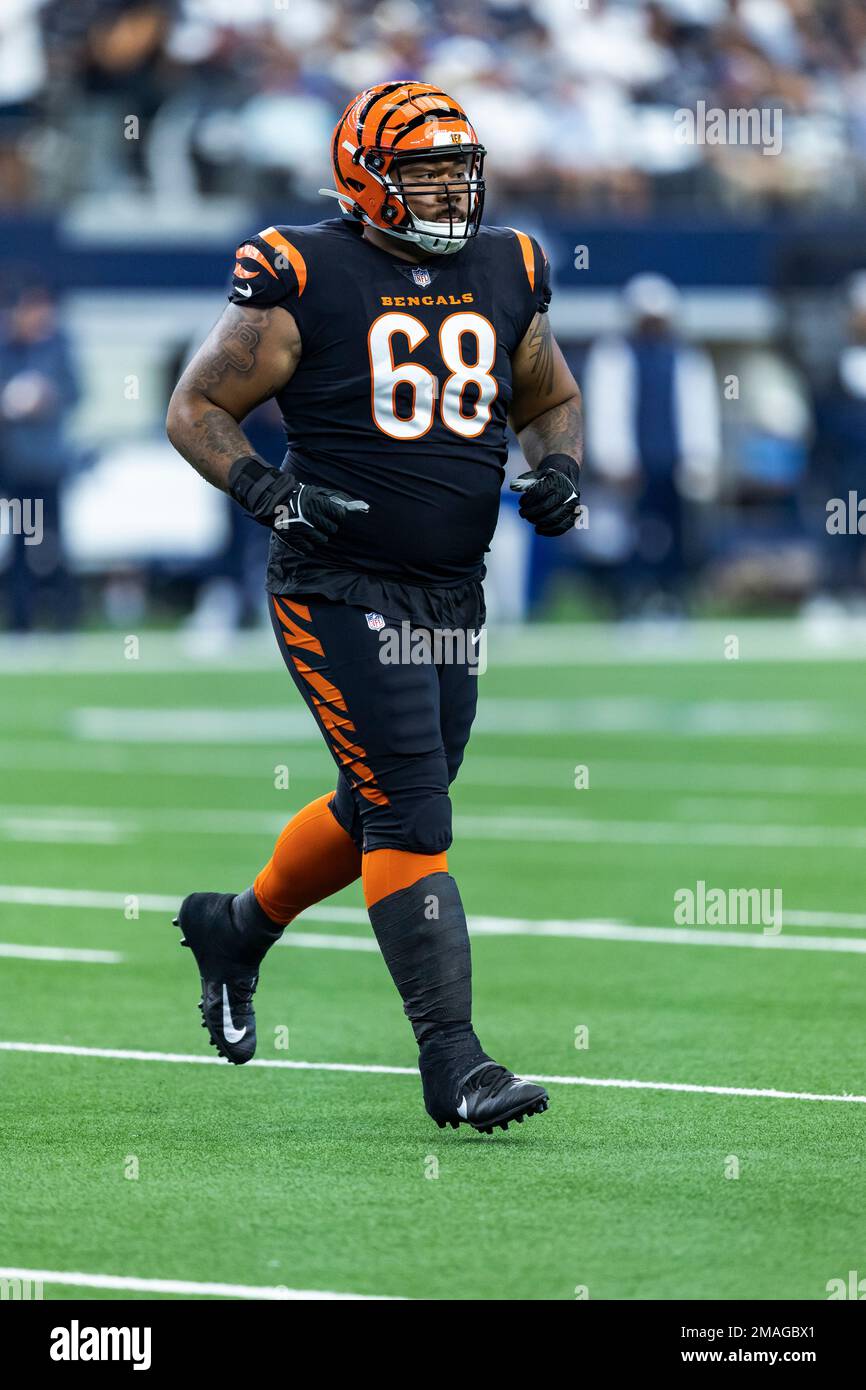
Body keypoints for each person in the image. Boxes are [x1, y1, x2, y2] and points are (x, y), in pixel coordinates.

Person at [166, 80, 582, 1134]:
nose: (450, 192)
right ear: (363, 177)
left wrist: (562, 468)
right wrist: (265, 491)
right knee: (408, 805)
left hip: (450, 585)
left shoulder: (507, 264)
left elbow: (546, 397)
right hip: (335, 580)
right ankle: (455, 1061)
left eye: (459, 170)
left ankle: (235, 927)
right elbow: (196, 406)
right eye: (425, 173)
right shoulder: (305, 268)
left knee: (386, 795)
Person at [582, 273, 720, 612]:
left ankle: (673, 599)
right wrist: (614, 459)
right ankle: (633, 600)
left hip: (674, 462)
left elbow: (700, 412)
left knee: (678, 535)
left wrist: (702, 459)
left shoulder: (685, 357)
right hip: (633, 464)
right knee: (631, 536)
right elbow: (607, 409)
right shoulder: (614, 355)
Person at [0, 285, 80, 631]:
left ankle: (65, 620)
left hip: (49, 466)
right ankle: (22, 620)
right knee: (21, 541)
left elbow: (76, 392)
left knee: (55, 541)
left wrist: (47, 396)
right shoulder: (7, 349)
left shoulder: (58, 348)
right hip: (17, 466)